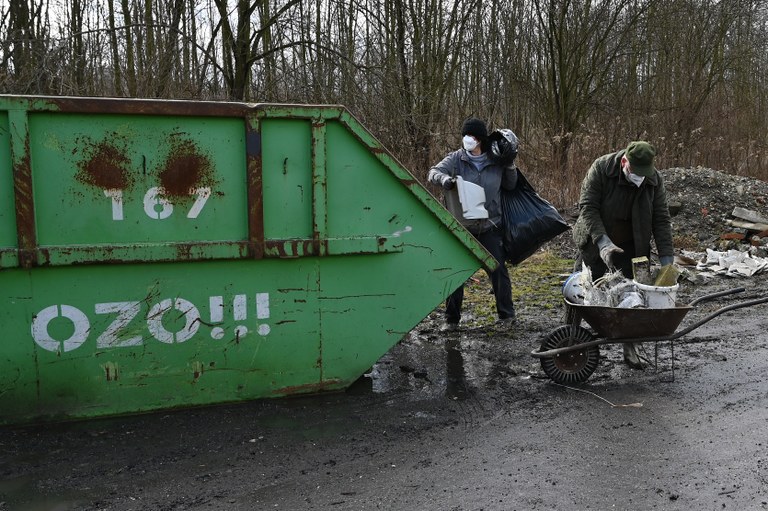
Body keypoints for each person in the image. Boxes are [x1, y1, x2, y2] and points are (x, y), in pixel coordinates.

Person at [572, 140, 674, 368]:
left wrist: (667, 259)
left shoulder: (653, 180)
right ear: (625, 161)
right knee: (582, 291)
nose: (639, 178)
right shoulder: (601, 168)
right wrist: (603, 242)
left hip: (633, 246)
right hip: (595, 240)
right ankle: (571, 338)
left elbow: (661, 219)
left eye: (643, 174)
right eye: (635, 173)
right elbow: (587, 206)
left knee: (634, 298)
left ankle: (630, 350)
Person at [427, 117, 519, 331]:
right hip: (462, 228)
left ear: (481, 140)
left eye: (473, 136)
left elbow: (511, 185)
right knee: (456, 273)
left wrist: (510, 164)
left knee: (498, 270)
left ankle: (506, 316)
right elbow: (433, 172)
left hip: (489, 226)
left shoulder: (495, 161)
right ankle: (451, 320)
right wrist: (444, 181)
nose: (468, 139)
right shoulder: (456, 159)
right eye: (466, 135)